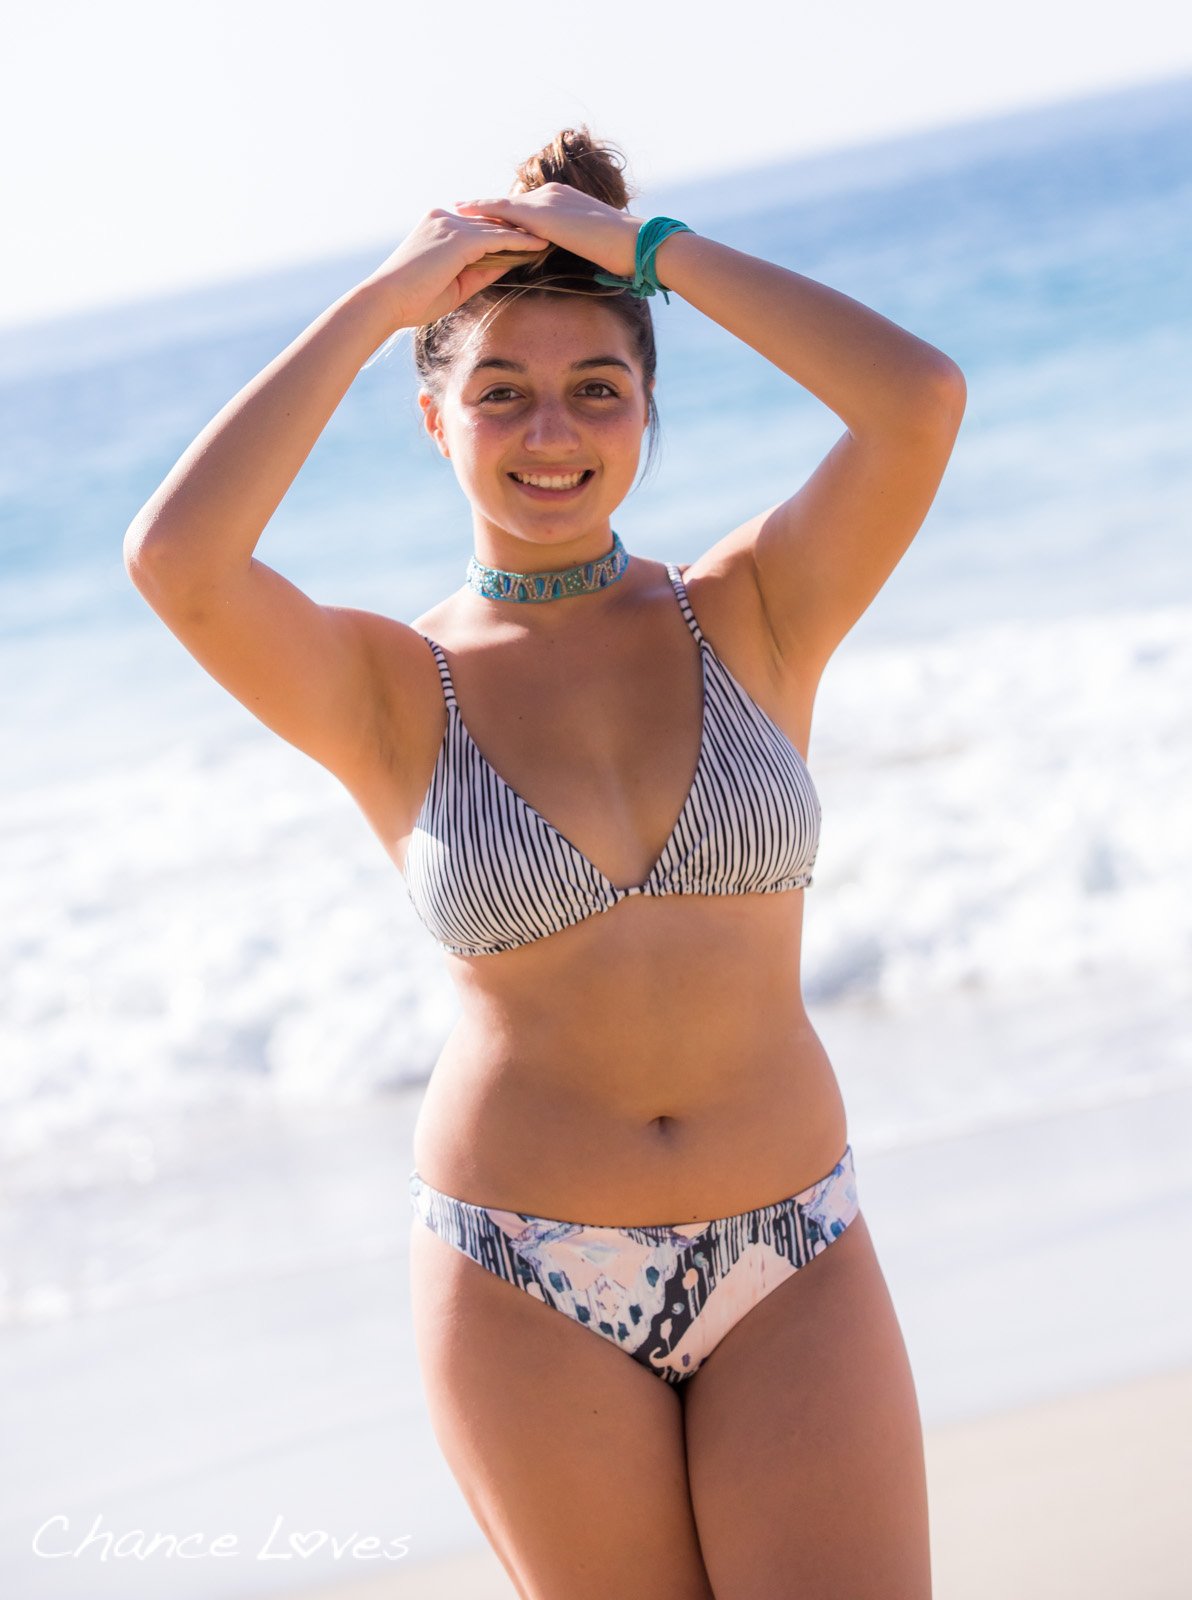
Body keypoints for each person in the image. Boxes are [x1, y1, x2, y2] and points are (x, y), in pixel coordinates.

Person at [124, 125, 965, 1599]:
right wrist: (382, 300)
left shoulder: (754, 611)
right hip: (524, 1278)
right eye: (499, 393)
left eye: (598, 389)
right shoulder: (392, 690)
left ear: (648, 413)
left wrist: (652, 251)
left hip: (794, 1251)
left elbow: (918, 400)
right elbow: (178, 563)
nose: (552, 433)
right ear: (434, 422)